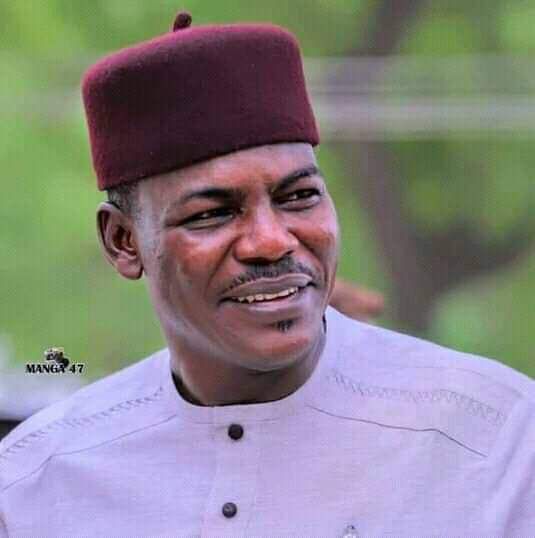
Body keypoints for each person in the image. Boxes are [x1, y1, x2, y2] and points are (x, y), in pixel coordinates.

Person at [1, 12, 533, 538]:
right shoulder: (34, 484)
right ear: (123, 241)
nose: (272, 241)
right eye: (212, 213)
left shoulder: (497, 442)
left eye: (299, 196)